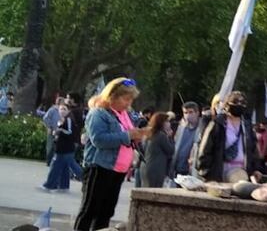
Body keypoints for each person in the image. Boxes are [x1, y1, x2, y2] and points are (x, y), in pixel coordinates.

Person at [74, 77, 149, 231]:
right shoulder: (99, 113)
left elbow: (128, 135)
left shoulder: (123, 114)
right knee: (90, 210)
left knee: (106, 212)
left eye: (131, 100)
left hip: (118, 170)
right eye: (126, 99)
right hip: (100, 167)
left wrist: (138, 136)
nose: (129, 103)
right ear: (112, 96)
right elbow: (99, 140)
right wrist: (129, 135)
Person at [195, 91, 260, 182]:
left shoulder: (247, 126)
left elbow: (253, 149)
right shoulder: (218, 124)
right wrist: (205, 171)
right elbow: (205, 148)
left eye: (242, 103)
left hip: (241, 173)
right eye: (236, 102)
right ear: (227, 105)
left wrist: (256, 168)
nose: (239, 105)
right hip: (219, 171)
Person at [40, 103, 80, 191]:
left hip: (65, 148)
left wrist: (59, 131)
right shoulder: (62, 120)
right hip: (63, 148)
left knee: (56, 166)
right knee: (65, 167)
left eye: (64, 109)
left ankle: (49, 185)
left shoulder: (68, 119)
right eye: (61, 109)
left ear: (68, 111)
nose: (62, 111)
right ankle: (63, 186)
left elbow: (69, 132)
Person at [140, 112, 174, 188]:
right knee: (153, 192)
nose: (169, 123)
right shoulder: (161, 135)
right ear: (162, 122)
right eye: (167, 121)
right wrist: (170, 138)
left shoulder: (149, 133)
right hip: (156, 169)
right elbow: (170, 150)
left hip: (145, 166)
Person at [172, 101, 200, 177]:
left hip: (192, 170)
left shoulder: (201, 128)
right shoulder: (181, 128)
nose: (188, 115)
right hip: (178, 169)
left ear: (197, 113)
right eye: (185, 113)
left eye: (191, 112)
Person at [42, 98, 64, 165]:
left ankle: (55, 161)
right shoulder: (52, 110)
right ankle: (48, 161)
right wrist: (49, 127)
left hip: (60, 131)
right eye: (62, 101)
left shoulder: (63, 110)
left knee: (58, 147)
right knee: (50, 146)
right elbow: (45, 118)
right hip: (52, 130)